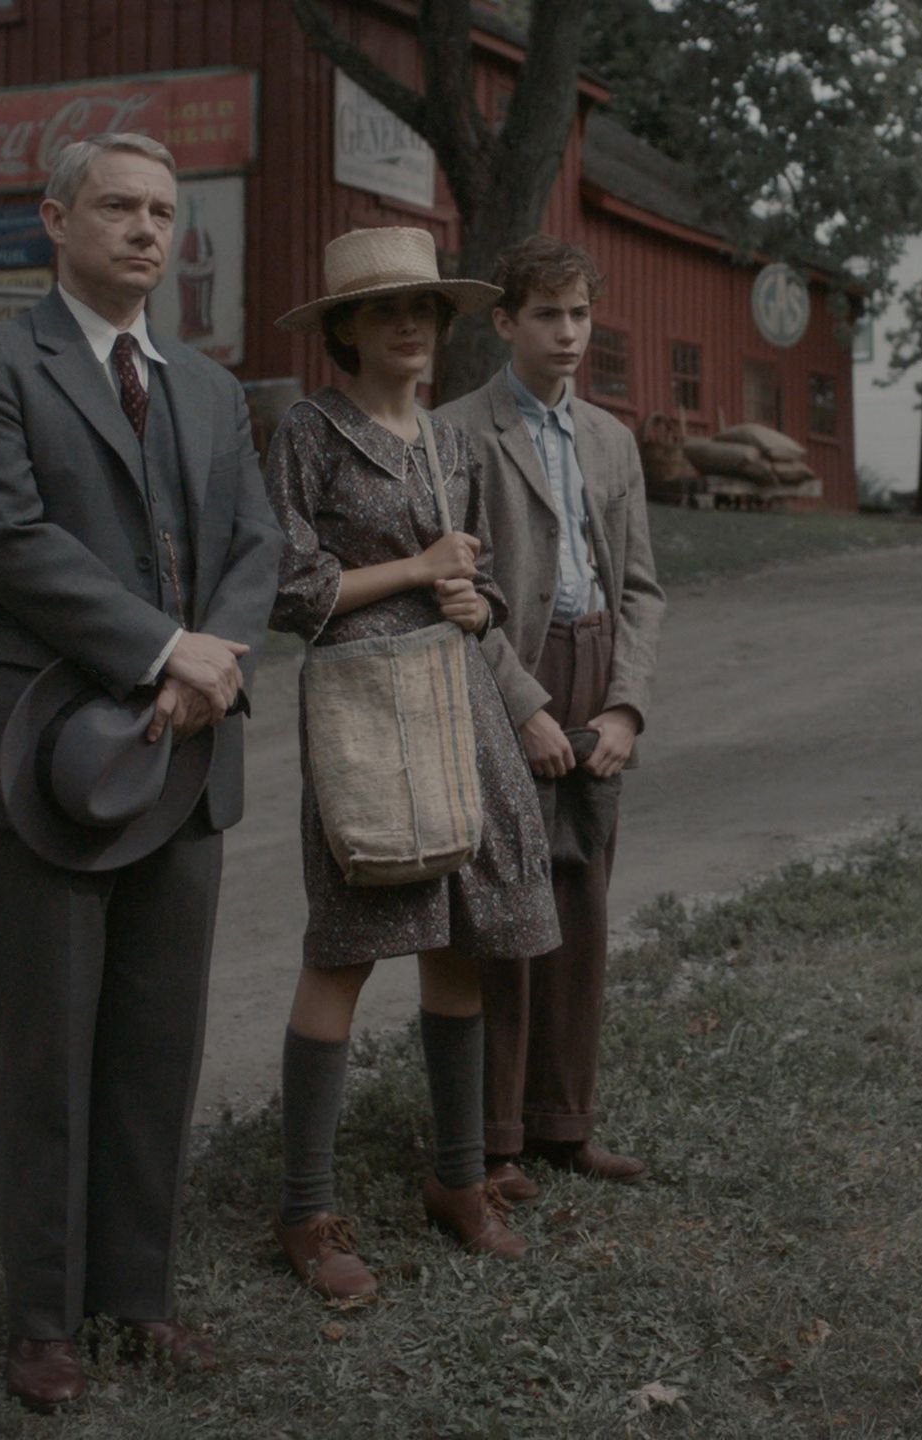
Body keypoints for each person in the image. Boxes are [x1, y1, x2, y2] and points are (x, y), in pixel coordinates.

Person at [0, 132, 282, 1411]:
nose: (148, 231)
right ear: (55, 220)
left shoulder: (206, 385)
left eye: (165, 213)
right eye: (120, 207)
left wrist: (212, 660)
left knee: (156, 1044)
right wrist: (160, 645)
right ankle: (41, 1321)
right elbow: (9, 541)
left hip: (186, 749)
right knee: (44, 1053)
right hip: (40, 753)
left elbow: (258, 541)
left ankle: (139, 1298)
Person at [265, 227, 562, 1297]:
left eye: (426, 308)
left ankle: (455, 1178)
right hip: (363, 710)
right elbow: (290, 594)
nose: (410, 323)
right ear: (344, 327)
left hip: (456, 698)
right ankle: (306, 1212)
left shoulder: (451, 443)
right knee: (346, 945)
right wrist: (417, 568)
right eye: (387, 308)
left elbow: (465, 586)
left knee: (464, 939)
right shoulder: (309, 432)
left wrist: (465, 594)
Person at [437, 235, 665, 1201]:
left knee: (582, 908)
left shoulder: (610, 440)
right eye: (546, 315)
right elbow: (455, 595)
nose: (567, 334)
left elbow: (644, 588)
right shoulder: (458, 432)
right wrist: (522, 705)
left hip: (594, 668)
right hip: (508, 682)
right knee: (505, 909)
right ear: (504, 322)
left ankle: (565, 1124)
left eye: (580, 316)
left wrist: (625, 706)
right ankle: (493, 1141)